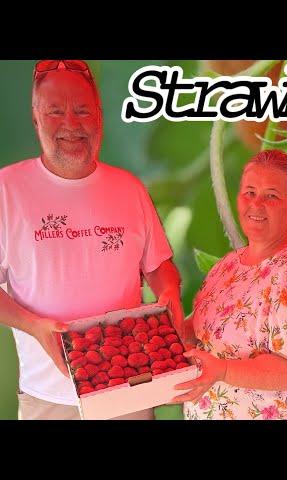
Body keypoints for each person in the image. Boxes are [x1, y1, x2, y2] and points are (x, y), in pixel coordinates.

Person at [0, 60, 183, 420]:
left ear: (99, 116)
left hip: (128, 389)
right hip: (48, 397)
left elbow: (159, 264)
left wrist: (170, 292)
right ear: (36, 120)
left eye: (82, 110)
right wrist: (34, 326)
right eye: (55, 111)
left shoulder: (129, 188)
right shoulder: (6, 191)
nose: (71, 123)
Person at [174, 150, 287, 420]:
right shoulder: (227, 266)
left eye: (271, 196)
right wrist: (173, 330)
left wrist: (223, 370)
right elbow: (205, 327)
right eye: (249, 192)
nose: (256, 204)